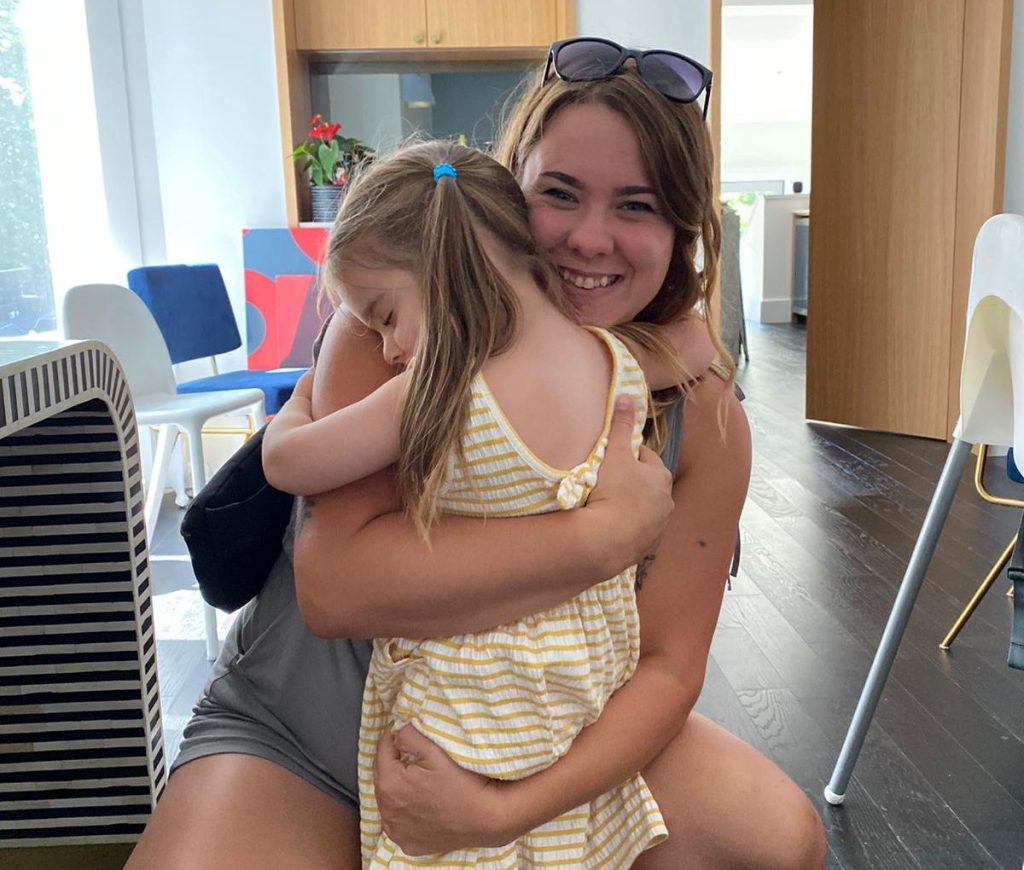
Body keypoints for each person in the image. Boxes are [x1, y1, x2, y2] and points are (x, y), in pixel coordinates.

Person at [127, 37, 826, 870]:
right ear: (502, 191)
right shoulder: (397, 324)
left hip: (536, 740)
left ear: (682, 229)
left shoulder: (699, 416)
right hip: (308, 733)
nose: (589, 240)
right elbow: (335, 587)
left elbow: (669, 670)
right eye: (558, 193)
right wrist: (601, 539)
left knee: (777, 842)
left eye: (636, 206)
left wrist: (503, 812)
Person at [263, 139, 691, 868]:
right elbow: (697, 344)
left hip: (467, 707)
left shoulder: (439, 388)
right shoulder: (612, 362)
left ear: (443, 275)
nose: (390, 347)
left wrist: (301, 397)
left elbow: (288, 465)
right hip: (573, 700)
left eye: (386, 314)